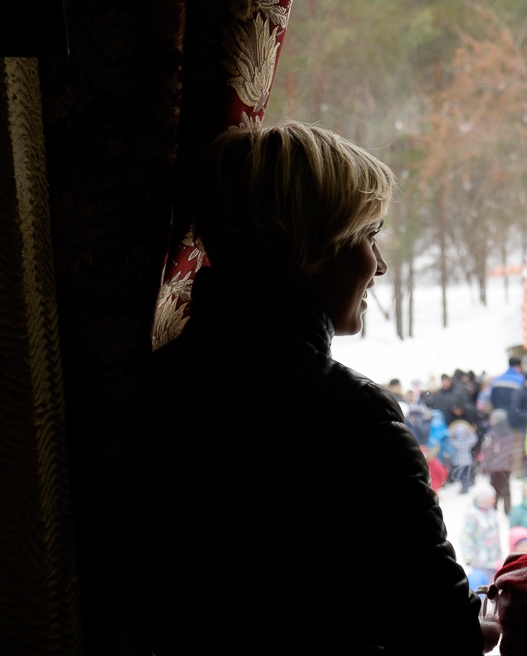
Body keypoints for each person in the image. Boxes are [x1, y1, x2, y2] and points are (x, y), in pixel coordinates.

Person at [131, 123, 492, 655]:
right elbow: (441, 631)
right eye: (369, 237)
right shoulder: (352, 418)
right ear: (315, 248)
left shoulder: (150, 388)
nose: (380, 265)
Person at [490, 357, 527, 473]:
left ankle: (503, 469)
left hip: (500, 420)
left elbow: (491, 399)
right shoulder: (521, 380)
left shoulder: (497, 380)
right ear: (518, 366)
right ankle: (516, 471)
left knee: (502, 445)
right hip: (516, 420)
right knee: (517, 446)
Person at [461, 484, 502, 591]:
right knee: (481, 590)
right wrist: (468, 556)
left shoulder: (491, 512)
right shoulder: (473, 514)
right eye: (491, 497)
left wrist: (499, 555)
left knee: (493, 589)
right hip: (479, 561)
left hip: (494, 560)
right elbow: (466, 537)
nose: (494, 499)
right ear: (483, 498)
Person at [480, 409, 517, 515]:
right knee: (506, 492)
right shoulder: (510, 432)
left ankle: (492, 511)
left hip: (495, 469)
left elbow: (487, 452)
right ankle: (508, 512)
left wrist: (484, 466)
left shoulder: (491, 435)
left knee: (494, 492)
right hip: (507, 467)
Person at [447, 418, 479, 494]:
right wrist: (472, 432)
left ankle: (464, 487)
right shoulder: (468, 441)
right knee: (466, 475)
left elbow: (449, 441)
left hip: (457, 461)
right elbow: (474, 439)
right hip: (467, 460)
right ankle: (466, 486)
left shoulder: (454, 442)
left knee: (460, 475)